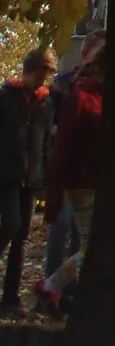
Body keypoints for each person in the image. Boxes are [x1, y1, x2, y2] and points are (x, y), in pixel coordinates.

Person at [36, 34, 102, 310]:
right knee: (90, 249)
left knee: (91, 246)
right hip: (82, 183)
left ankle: (58, 290)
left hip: (95, 180)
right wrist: (52, 197)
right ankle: (50, 286)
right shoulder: (81, 97)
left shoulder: (100, 97)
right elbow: (63, 147)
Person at [0, 47, 55, 312]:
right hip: (7, 174)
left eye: (46, 76)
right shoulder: (5, 97)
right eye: (39, 75)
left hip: (32, 176)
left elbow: (44, 142)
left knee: (21, 240)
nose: (42, 81)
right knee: (10, 224)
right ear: (28, 71)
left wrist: (44, 172)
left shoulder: (45, 104)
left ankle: (10, 299)